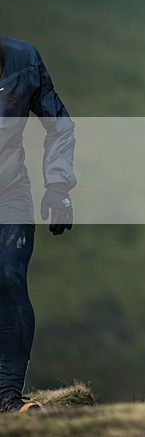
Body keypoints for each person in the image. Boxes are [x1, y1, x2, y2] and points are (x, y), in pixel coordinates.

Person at [0, 36, 76, 413]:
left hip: (9, 190)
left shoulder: (23, 60)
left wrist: (58, 187)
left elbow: (58, 124)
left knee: (10, 278)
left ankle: (8, 396)